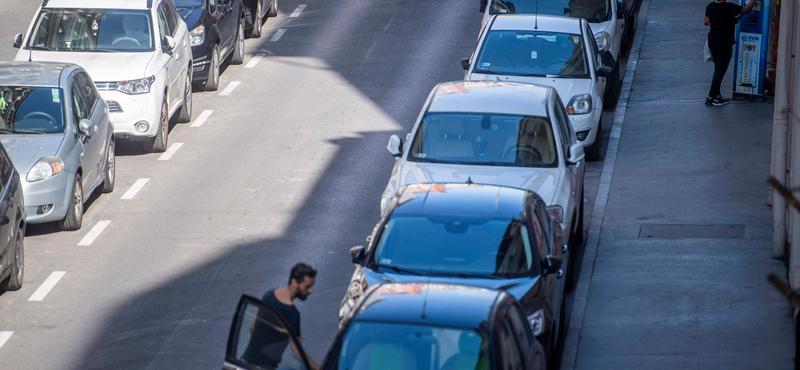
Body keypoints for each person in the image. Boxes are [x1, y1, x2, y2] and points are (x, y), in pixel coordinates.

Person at [242, 263, 320, 370]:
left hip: (246, 362)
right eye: (307, 287)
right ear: (294, 282)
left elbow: (252, 327)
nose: (310, 291)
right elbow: (297, 352)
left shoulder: (269, 294)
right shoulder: (292, 314)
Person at [704, 0, 757, 106]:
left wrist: (717, 22)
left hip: (713, 40)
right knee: (720, 70)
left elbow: (706, 22)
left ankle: (717, 95)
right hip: (725, 42)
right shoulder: (729, 7)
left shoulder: (710, 6)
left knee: (717, 68)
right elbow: (747, 9)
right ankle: (710, 97)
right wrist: (753, 1)